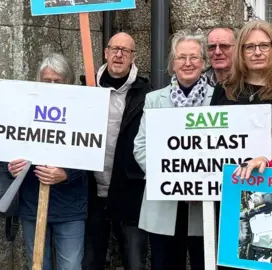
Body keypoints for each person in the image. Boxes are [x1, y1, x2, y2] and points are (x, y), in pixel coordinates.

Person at [133, 30, 211, 270]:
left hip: (203, 203)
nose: (188, 63)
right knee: (165, 264)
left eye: (194, 57)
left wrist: (198, 183)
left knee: (203, 263)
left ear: (204, 63)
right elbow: (141, 147)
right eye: (181, 57)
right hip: (164, 201)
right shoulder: (155, 99)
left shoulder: (217, 98)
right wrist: (175, 180)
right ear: (172, 64)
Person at [8, 52, 88, 270]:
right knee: (37, 265)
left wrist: (66, 174)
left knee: (71, 266)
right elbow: (9, 143)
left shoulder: (85, 110)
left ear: (69, 82)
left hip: (70, 205)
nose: (52, 86)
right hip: (33, 203)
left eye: (58, 81)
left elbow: (90, 152)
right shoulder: (22, 110)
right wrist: (12, 166)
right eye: (47, 81)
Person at [210, 19, 272, 270]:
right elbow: (210, 140)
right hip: (230, 195)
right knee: (232, 263)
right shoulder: (224, 91)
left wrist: (267, 160)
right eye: (250, 47)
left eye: (264, 45)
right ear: (241, 52)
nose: (257, 52)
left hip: (271, 193)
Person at [82, 32, 151, 270]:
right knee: (90, 262)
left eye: (126, 51)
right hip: (91, 192)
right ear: (106, 53)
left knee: (135, 262)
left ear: (133, 57)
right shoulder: (85, 88)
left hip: (130, 191)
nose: (119, 55)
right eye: (114, 49)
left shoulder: (146, 93)